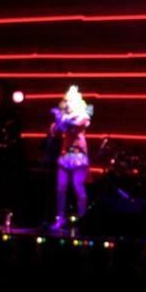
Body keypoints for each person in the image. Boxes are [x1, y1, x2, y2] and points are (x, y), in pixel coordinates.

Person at [49, 85, 93, 230]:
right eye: (67, 101)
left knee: (78, 187)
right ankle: (60, 218)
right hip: (64, 156)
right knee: (60, 188)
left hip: (78, 156)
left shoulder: (83, 116)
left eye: (71, 101)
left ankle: (83, 218)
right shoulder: (62, 117)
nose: (68, 104)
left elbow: (74, 125)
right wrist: (57, 122)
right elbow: (54, 131)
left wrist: (61, 119)